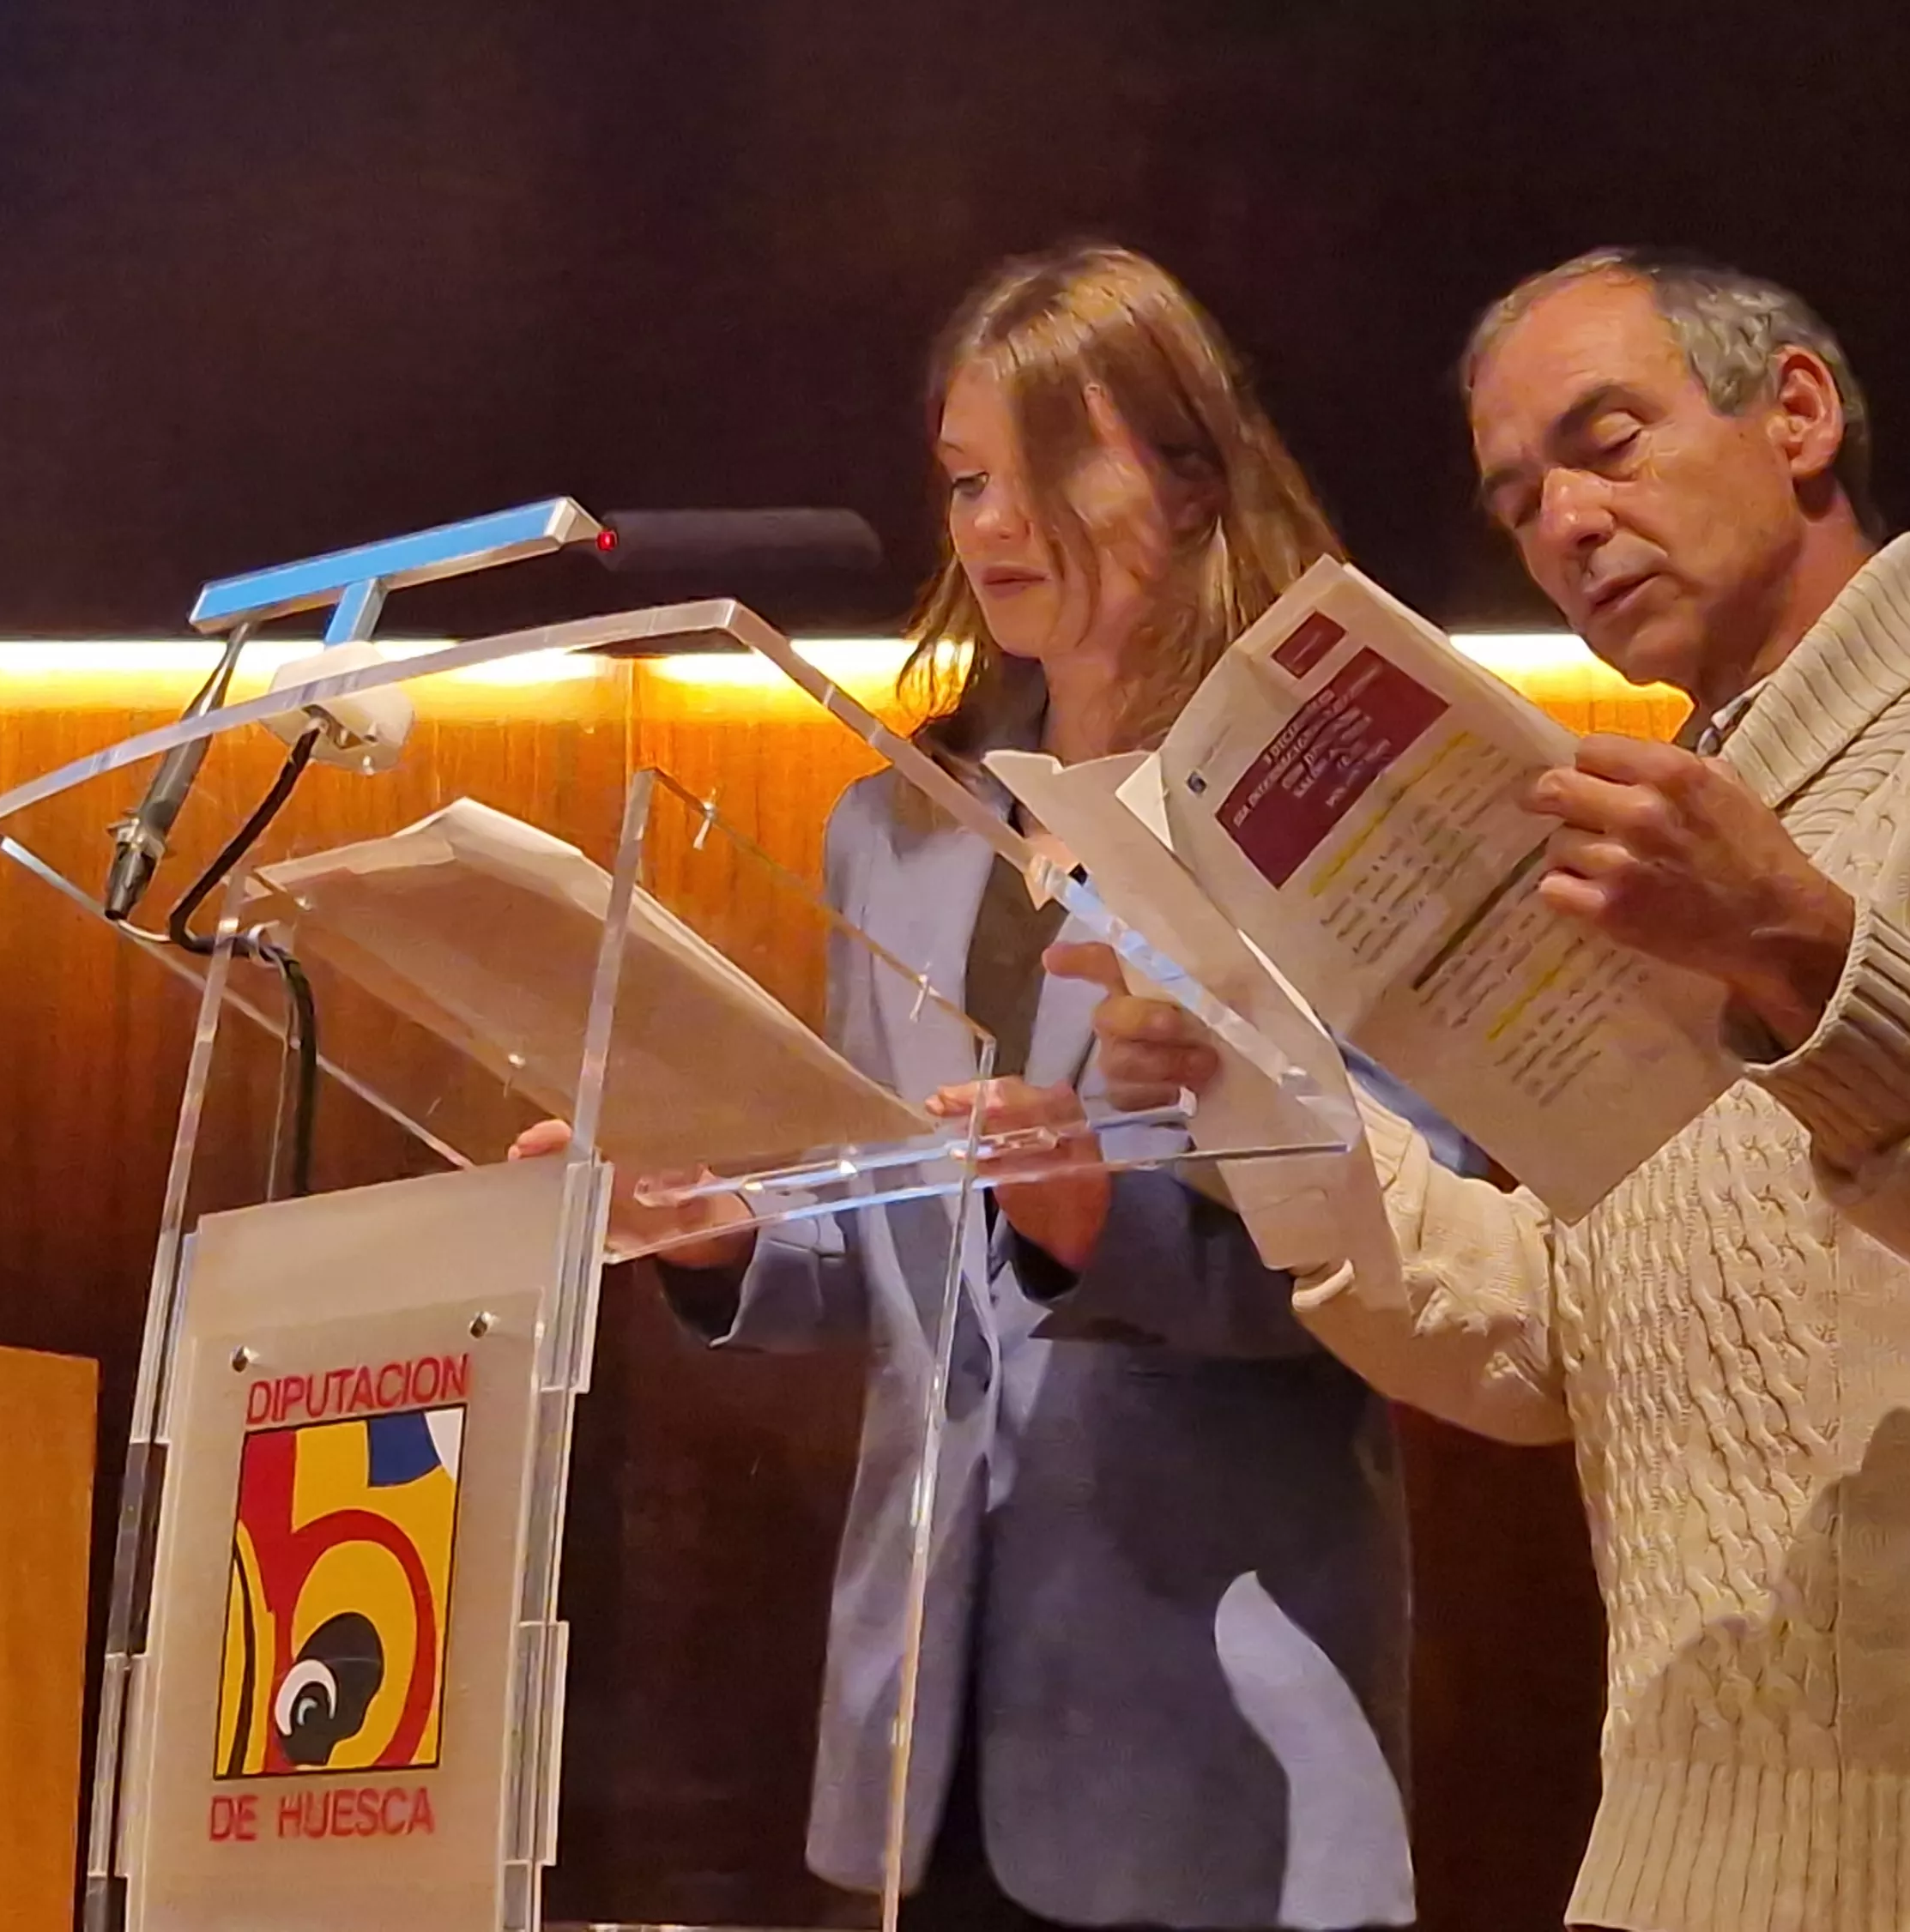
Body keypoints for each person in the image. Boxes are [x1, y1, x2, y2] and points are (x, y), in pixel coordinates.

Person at [1049, 249, 1910, 1932]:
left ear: (1795, 414)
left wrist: (1802, 957)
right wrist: (1259, 1095)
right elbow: (1549, 1337)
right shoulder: (1663, 829)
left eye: (1601, 441)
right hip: (1668, 1852)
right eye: (1514, 496)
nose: (1558, 521)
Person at [523, 242, 1473, 1931]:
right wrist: (718, 1228)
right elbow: (896, 1252)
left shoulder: (1316, 810)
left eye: (1046, 470)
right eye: (965, 479)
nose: (989, 526)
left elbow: (1445, 1238)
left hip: (1211, 1734)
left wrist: (1103, 1227)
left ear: (1191, 478)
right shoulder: (895, 822)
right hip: (915, 1728)